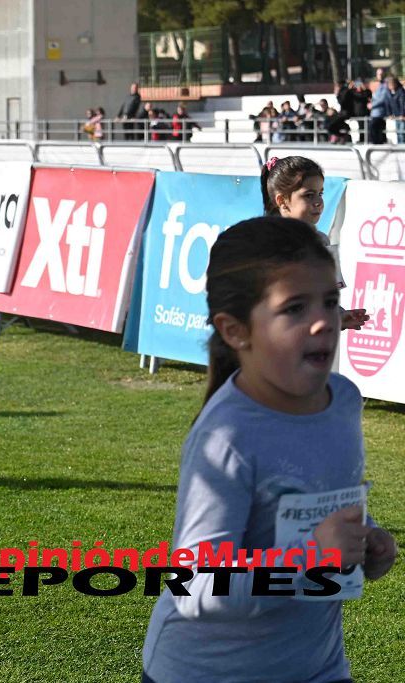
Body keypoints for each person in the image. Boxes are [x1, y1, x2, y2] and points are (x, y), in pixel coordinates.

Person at [141, 216, 398, 683]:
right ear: (237, 331)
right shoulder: (227, 437)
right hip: (209, 673)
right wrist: (312, 562)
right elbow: (195, 588)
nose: (324, 320)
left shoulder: (343, 401)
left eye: (330, 301)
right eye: (295, 308)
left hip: (318, 667)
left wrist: (368, 541)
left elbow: (325, 505)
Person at [260, 155, 368, 331]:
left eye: (320, 193)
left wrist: (338, 316)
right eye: (308, 195)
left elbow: (323, 296)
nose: (318, 202)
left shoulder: (321, 241)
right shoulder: (267, 242)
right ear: (282, 201)